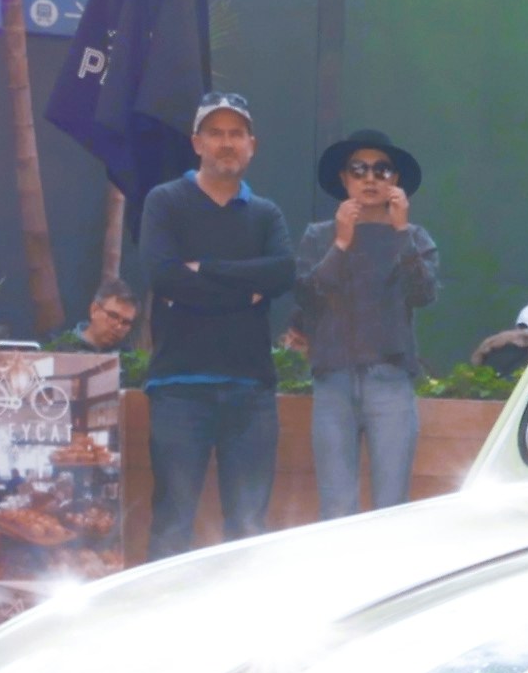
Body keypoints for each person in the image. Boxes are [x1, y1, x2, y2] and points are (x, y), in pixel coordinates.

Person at [123, 93, 292, 550]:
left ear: (251, 145)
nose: (226, 143)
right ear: (197, 143)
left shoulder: (266, 213)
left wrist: (206, 269)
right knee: (173, 521)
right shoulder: (165, 202)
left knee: (249, 529)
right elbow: (163, 275)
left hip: (251, 391)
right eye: (215, 133)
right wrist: (246, 291)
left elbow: (282, 272)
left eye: (236, 133)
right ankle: (162, 619)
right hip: (179, 388)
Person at [300, 129, 438, 517]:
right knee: (335, 508)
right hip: (332, 380)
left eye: (382, 169)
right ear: (344, 179)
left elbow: (424, 294)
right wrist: (341, 244)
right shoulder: (319, 236)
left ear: (395, 180)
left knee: (391, 509)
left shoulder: (413, 236)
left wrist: (401, 233)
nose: (370, 178)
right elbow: (307, 297)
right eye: (359, 169)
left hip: (390, 379)